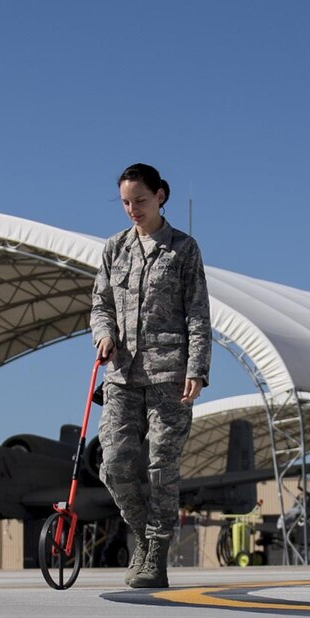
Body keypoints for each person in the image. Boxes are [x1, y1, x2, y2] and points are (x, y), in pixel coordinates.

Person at [90, 163, 212, 590]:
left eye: (139, 201)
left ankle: (156, 554)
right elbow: (101, 303)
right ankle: (143, 535)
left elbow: (198, 314)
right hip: (121, 375)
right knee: (114, 463)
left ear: (161, 195)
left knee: (161, 466)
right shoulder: (114, 249)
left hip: (170, 376)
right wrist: (103, 334)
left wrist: (197, 368)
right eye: (125, 202)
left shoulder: (183, 249)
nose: (132, 210)